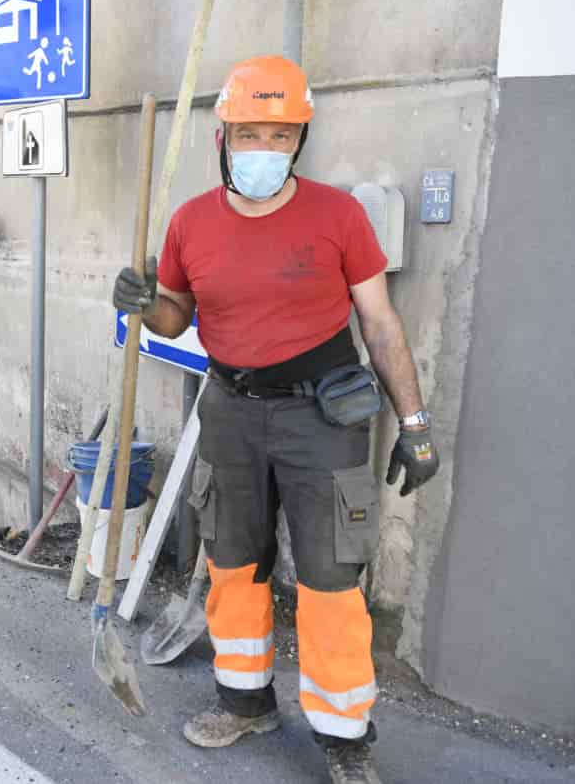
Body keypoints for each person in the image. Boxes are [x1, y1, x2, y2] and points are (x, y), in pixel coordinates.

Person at [112, 56, 439, 784]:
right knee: (234, 564)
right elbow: (174, 315)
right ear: (222, 137)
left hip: (323, 418)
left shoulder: (339, 216)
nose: (264, 147)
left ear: (299, 140)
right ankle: (245, 699)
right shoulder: (192, 221)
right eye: (249, 131)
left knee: (331, 581)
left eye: (280, 133)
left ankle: (345, 737)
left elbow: (380, 324)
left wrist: (414, 423)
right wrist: (141, 301)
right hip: (229, 412)